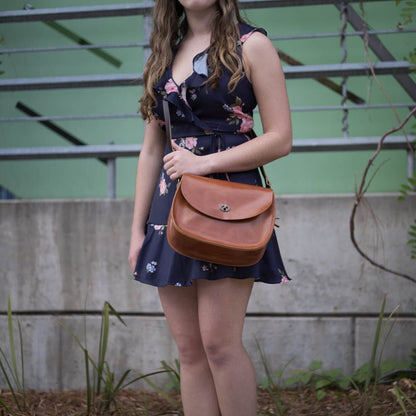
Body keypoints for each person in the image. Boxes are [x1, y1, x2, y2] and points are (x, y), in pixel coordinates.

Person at [128, 1, 292, 414]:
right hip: (169, 211)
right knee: (190, 351)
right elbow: (152, 150)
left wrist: (203, 163)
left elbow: (280, 138)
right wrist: (136, 231)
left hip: (228, 205)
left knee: (219, 345)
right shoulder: (164, 53)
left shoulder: (251, 45)